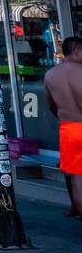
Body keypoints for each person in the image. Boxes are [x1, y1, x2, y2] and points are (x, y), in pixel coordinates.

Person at [45, 35, 82, 220]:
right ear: (76, 51)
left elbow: (51, 105)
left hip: (69, 128)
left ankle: (78, 210)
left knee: (76, 177)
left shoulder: (50, 75)